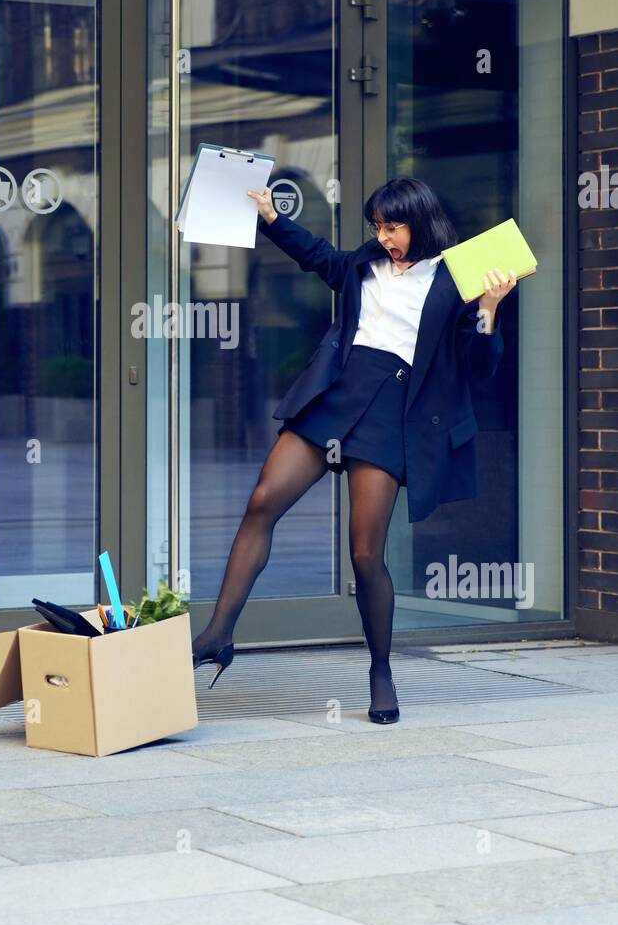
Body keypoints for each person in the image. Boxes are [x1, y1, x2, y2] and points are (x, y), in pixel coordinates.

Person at [191, 177, 518, 723]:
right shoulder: (367, 261)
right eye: (378, 227)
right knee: (263, 500)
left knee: (366, 553)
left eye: (393, 227)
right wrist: (271, 218)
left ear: (420, 221)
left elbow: (481, 369)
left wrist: (488, 308)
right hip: (340, 394)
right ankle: (218, 634)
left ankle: (381, 669)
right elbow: (317, 257)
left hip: (395, 409)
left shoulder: (457, 278)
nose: (384, 236)